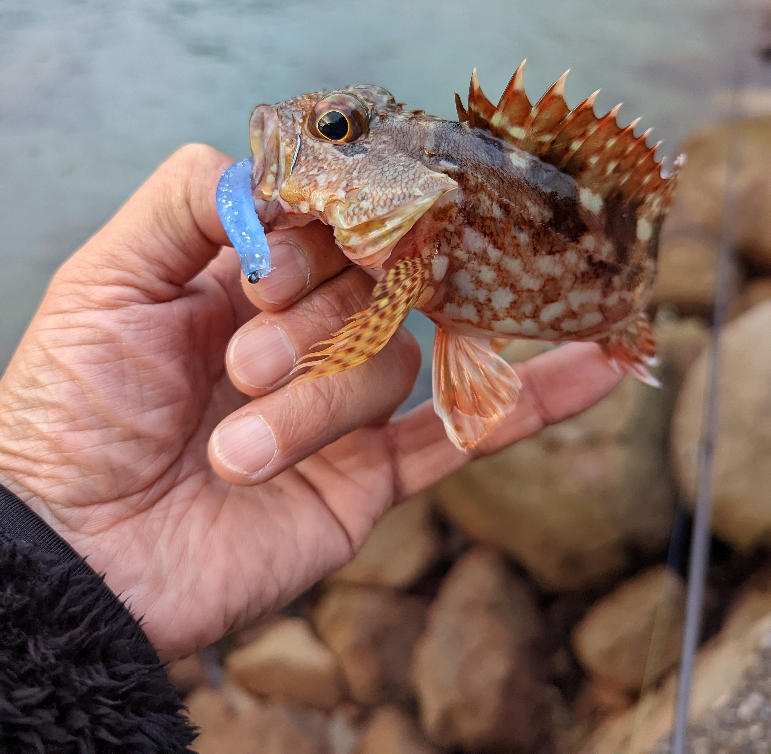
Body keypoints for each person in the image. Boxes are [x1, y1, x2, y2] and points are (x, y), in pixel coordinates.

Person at [0, 144, 624, 752]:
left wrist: (48, 545)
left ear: (415, 178)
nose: (283, 131)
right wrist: (49, 527)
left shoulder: (423, 229)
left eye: (335, 130)